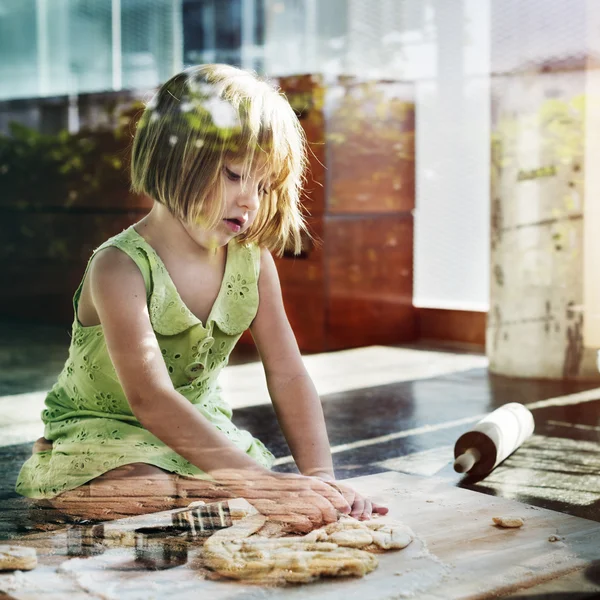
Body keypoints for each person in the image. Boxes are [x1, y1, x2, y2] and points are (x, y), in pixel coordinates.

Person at [16, 64, 388, 531]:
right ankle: (56, 463)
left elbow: (288, 372)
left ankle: (195, 484)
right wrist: (258, 485)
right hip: (104, 429)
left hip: (198, 429)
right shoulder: (119, 266)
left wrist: (320, 479)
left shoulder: (251, 261)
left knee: (238, 485)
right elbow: (149, 397)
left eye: (264, 185)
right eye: (234, 175)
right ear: (176, 160)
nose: (251, 200)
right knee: (152, 492)